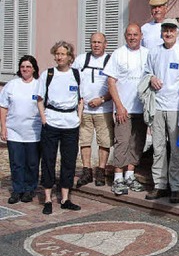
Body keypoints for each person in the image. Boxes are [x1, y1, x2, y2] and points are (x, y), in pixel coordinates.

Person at [144, 18, 179, 203]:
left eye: (171, 30)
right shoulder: (154, 52)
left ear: (177, 33)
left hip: (175, 107)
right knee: (158, 148)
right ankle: (159, 184)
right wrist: (151, 77)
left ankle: (176, 187)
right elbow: (146, 72)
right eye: (165, 31)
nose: (168, 34)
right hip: (158, 106)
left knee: (176, 150)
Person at [37, 41, 83, 215]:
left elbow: (81, 99)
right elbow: (39, 98)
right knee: (48, 160)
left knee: (69, 161)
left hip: (70, 124)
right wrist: (44, 119)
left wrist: (78, 118)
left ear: (70, 56)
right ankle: (48, 198)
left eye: (63, 54)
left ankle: (65, 198)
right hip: (52, 122)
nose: (59, 57)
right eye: (57, 53)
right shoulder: (48, 74)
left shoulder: (76, 75)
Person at [103, 23, 149, 196]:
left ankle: (130, 175)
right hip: (124, 109)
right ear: (125, 36)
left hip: (141, 108)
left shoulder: (147, 54)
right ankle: (118, 178)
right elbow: (111, 82)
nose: (132, 37)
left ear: (141, 36)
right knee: (122, 142)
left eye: (135, 34)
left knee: (137, 143)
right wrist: (119, 106)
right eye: (129, 34)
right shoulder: (118, 54)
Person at [73, 32, 114, 188]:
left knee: (104, 141)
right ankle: (86, 170)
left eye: (99, 42)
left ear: (105, 44)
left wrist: (102, 99)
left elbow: (116, 86)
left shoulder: (111, 61)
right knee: (85, 141)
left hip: (104, 109)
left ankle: (101, 171)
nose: (96, 45)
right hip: (85, 111)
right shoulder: (81, 60)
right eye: (93, 42)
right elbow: (73, 81)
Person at [0, 55, 41, 204]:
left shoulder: (39, 85)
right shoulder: (12, 85)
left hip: (33, 132)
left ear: (34, 69)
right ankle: (17, 190)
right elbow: (3, 106)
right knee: (16, 163)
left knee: (32, 163)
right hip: (14, 131)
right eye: (23, 66)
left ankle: (29, 189)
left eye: (28, 67)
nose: (25, 69)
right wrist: (3, 127)